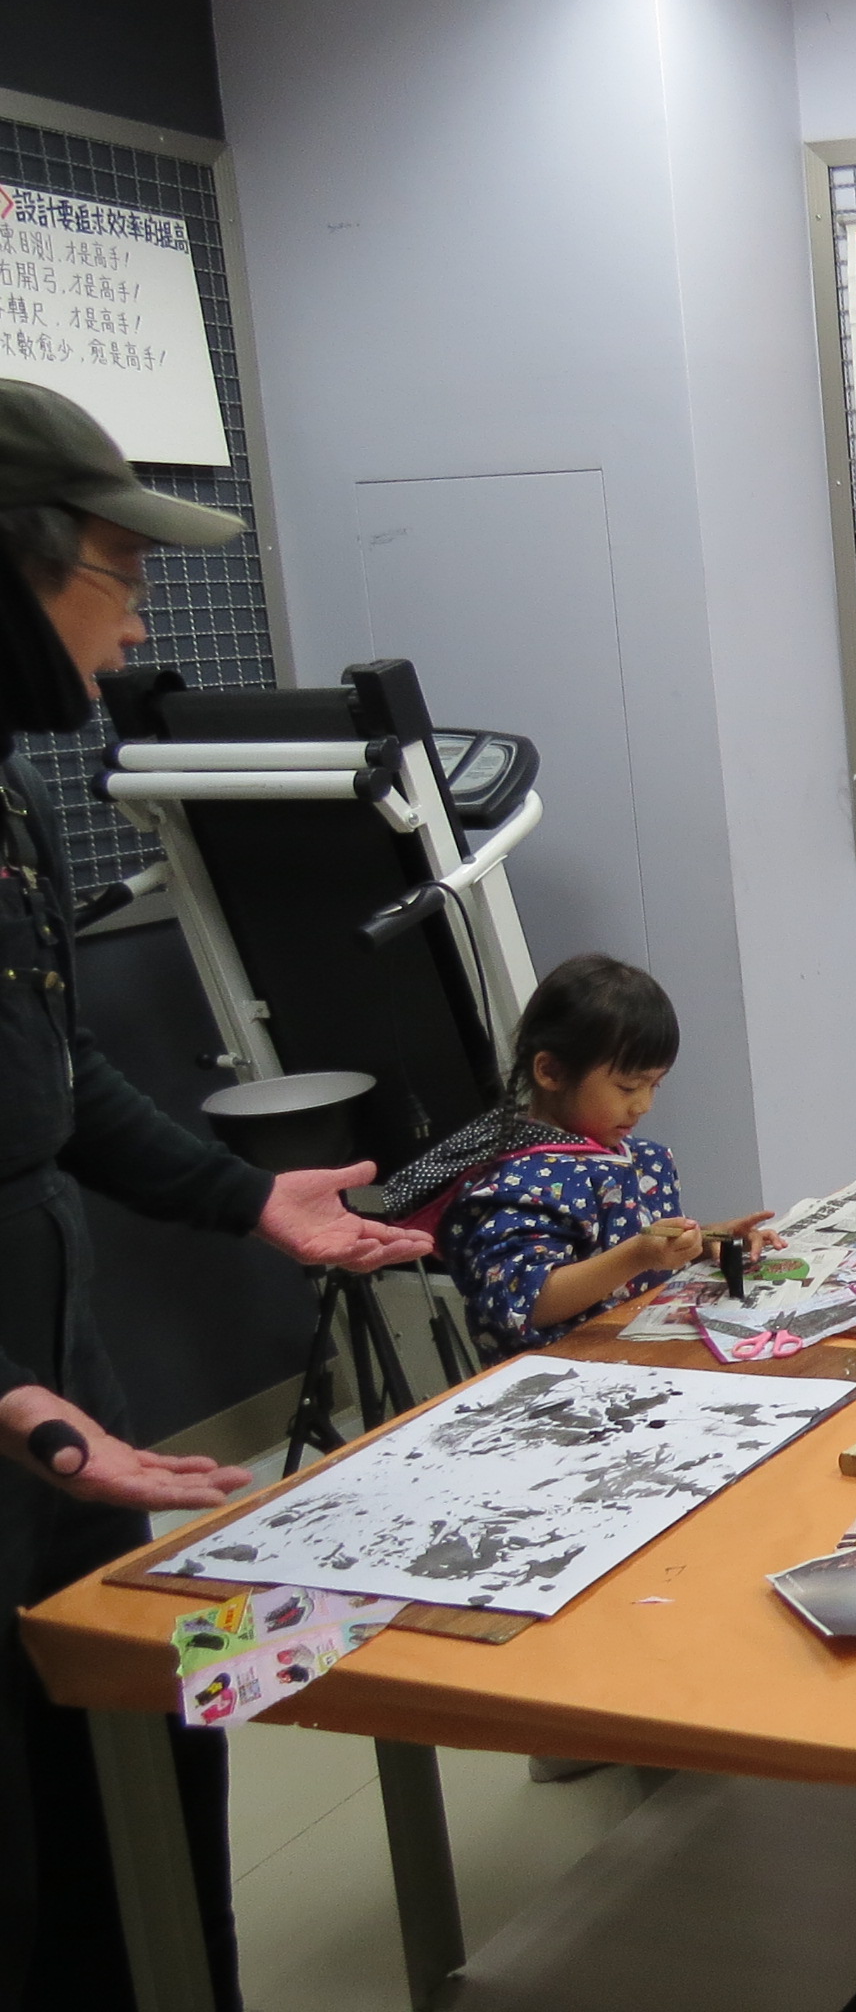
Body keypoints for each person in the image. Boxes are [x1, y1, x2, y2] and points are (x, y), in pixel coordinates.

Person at [0, 378, 433, 2009]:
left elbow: (56, 1074)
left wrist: (249, 1200)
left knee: (156, 1715)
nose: (136, 624)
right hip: (14, 1396)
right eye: (116, 572)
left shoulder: (10, 798)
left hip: (62, 1374)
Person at [381, 954, 772, 1356]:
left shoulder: (635, 1157)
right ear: (551, 1072)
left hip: (647, 1356)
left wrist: (706, 1239)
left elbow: (632, 1242)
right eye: (628, 1087)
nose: (644, 1105)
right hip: (566, 1378)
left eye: (654, 1085)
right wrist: (638, 1255)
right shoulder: (517, 1184)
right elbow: (526, 1302)